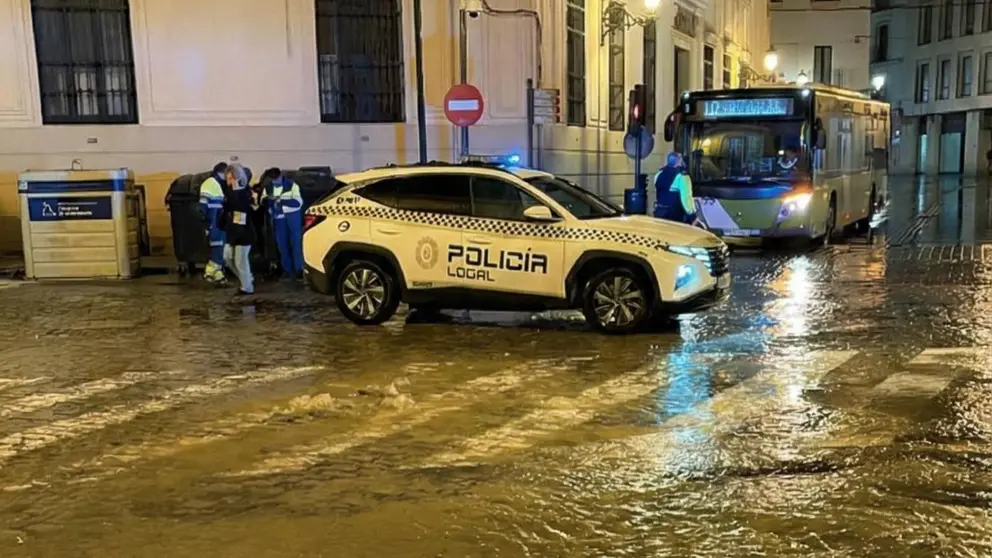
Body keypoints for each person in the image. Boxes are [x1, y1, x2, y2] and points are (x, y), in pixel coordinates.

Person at [261, 167, 304, 279]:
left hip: (292, 218)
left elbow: (298, 203)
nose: (276, 182)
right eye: (273, 180)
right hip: (278, 219)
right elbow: (263, 201)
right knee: (282, 246)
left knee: (295, 244)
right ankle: (288, 270)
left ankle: (299, 269)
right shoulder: (268, 188)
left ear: (281, 176)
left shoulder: (292, 186)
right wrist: (270, 203)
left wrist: (281, 201)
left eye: (277, 179)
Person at [222, 163, 255, 296]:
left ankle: (247, 287)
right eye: (228, 179)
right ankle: (246, 279)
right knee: (228, 257)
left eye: (232, 179)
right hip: (232, 231)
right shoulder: (229, 192)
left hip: (243, 232)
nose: (230, 182)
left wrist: (236, 190)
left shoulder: (244, 193)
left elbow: (241, 211)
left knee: (240, 261)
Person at [199, 162, 228, 284]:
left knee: (220, 248)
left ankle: (217, 274)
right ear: (220, 173)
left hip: (218, 222)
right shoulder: (209, 184)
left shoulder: (217, 184)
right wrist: (206, 223)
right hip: (214, 222)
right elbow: (203, 205)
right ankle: (211, 272)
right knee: (217, 247)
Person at [653, 152, 697, 225]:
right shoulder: (682, 176)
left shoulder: (659, 174)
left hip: (659, 213)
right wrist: (693, 216)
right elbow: (686, 198)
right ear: (679, 161)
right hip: (675, 216)